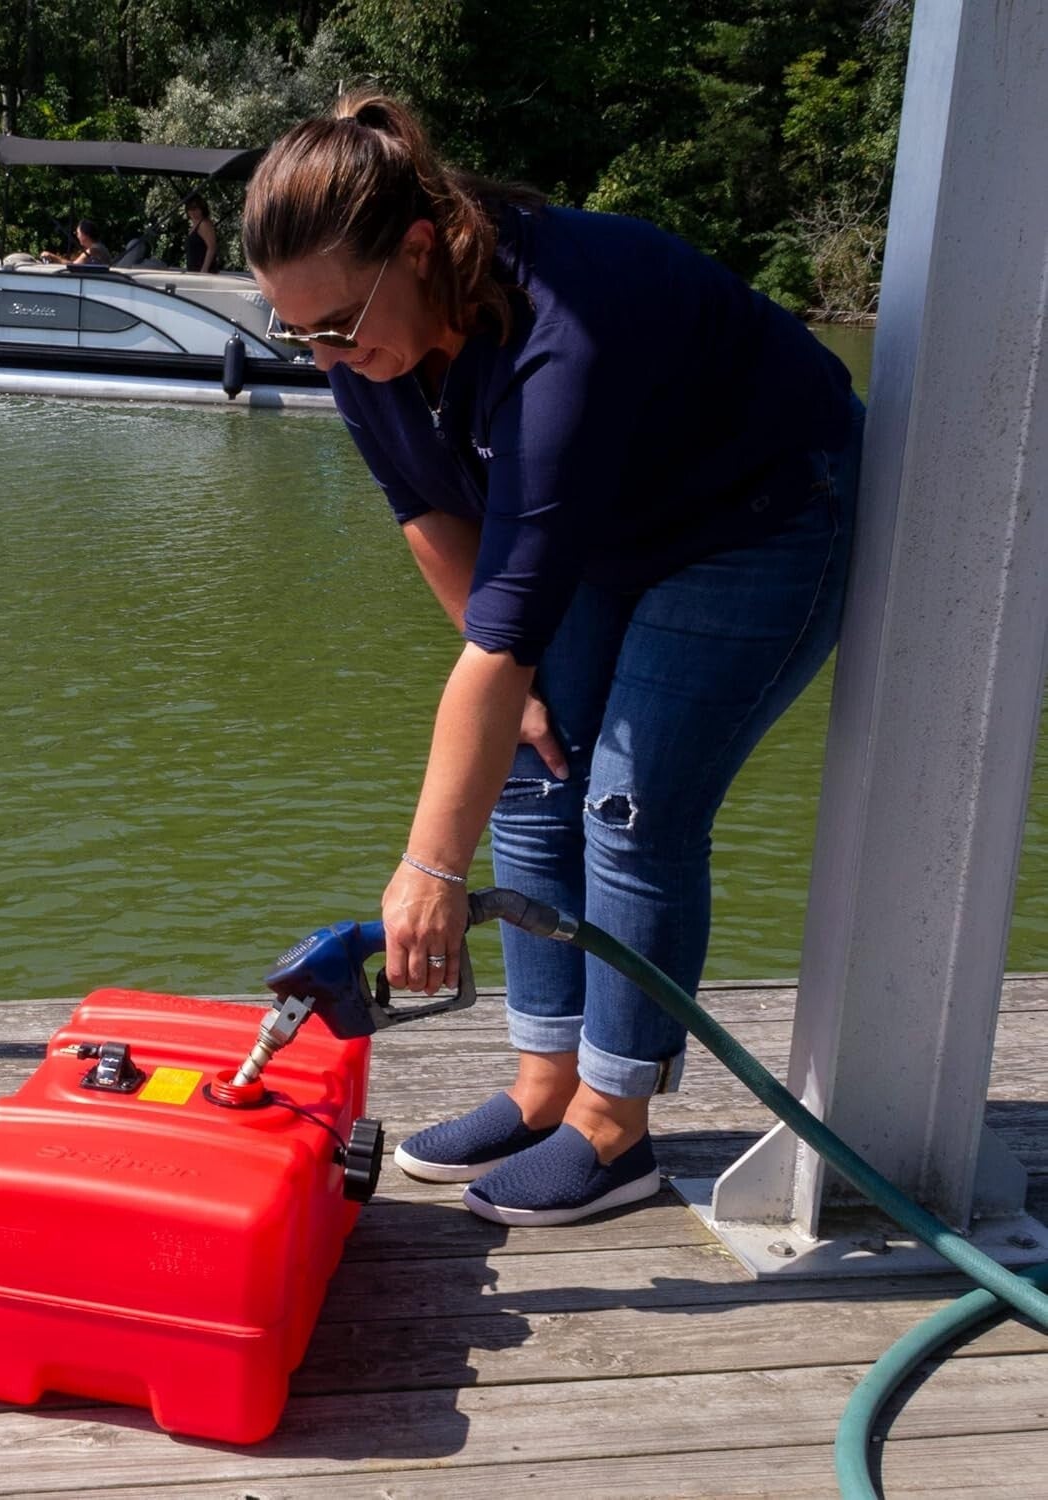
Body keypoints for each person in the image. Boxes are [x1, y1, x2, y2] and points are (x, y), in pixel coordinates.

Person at [243, 94, 863, 1228]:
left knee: (630, 805)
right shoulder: (362, 351)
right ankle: (544, 1086)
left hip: (757, 513)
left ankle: (615, 1127)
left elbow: (507, 632)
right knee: (534, 770)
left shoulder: (558, 327)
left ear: (419, 248)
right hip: (602, 525)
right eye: (300, 336)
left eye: (337, 325)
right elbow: (427, 514)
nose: (327, 357)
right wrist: (514, 688)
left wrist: (429, 871)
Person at [40, 220, 112, 266]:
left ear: (84, 235)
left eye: (77, 233)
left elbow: (74, 266)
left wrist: (52, 256)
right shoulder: (100, 247)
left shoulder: (93, 250)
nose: (77, 236)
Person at [184, 194, 221, 273]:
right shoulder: (194, 225)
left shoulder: (204, 224)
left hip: (204, 272)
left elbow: (211, 247)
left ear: (202, 209)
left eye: (195, 208)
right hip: (194, 271)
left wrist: (204, 269)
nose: (192, 212)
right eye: (190, 209)